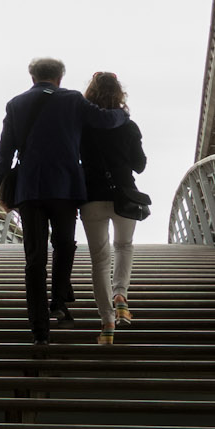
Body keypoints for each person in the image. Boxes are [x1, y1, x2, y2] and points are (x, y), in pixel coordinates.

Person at [0, 57, 130, 345]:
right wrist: (125, 115)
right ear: (60, 77)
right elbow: (105, 120)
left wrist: (1, 189)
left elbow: (4, 152)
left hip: (30, 190)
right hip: (66, 188)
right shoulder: (72, 100)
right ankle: (57, 300)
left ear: (33, 77)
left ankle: (40, 331)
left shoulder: (16, 104)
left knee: (34, 259)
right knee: (65, 244)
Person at [78, 72, 146, 345]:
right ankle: (121, 297)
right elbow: (139, 165)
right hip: (124, 196)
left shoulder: (81, 126)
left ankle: (107, 323)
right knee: (124, 246)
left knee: (99, 259)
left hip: (91, 197)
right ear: (120, 94)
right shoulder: (128, 126)